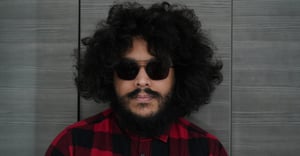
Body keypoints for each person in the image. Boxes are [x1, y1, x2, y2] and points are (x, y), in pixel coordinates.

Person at [46, 1, 227, 156]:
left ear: (178, 76)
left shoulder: (207, 151)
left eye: (157, 69)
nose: (142, 81)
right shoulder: (72, 146)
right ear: (110, 76)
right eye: (127, 69)